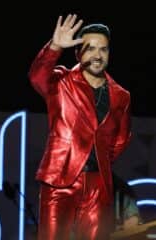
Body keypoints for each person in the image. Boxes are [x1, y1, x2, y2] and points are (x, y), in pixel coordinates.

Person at [28, 14, 132, 240]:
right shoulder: (61, 81)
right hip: (60, 178)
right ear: (78, 52)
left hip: (97, 183)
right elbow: (36, 77)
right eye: (90, 48)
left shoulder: (121, 95)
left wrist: (100, 158)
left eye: (103, 49)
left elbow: (121, 139)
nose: (97, 55)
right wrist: (55, 46)